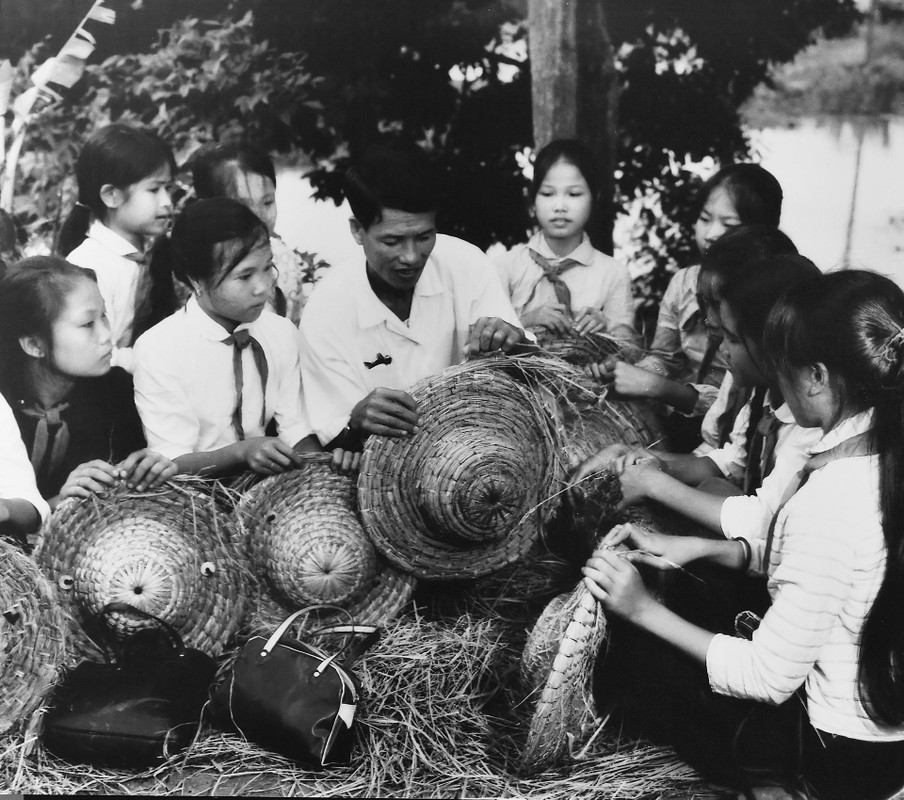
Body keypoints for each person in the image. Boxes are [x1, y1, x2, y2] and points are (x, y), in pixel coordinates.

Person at [582, 269, 904, 799]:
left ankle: (773, 784)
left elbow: (767, 676)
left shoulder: (833, 498)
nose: (774, 377)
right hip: (880, 737)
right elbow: (818, 574)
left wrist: (641, 609)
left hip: (833, 752)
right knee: (701, 598)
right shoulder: (880, 453)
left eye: (783, 365)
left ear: (817, 377)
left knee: (636, 656)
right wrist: (696, 548)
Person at [575, 255, 823, 543]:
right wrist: (642, 458)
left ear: (772, 341)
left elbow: (764, 521)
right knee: (713, 486)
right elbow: (731, 461)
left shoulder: (810, 425)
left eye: (731, 339)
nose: (721, 350)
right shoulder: (764, 396)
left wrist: (656, 485)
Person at [299, 143, 529, 450]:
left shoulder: (467, 264)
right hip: (382, 470)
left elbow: (528, 367)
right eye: (392, 241)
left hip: (477, 451)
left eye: (424, 237)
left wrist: (514, 341)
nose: (411, 257)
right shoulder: (326, 310)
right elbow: (333, 429)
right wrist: (355, 422)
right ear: (357, 231)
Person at [592, 164, 784, 450]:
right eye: (705, 218)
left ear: (762, 233)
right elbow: (665, 357)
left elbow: (741, 399)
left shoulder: (765, 296)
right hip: (678, 420)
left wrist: (654, 386)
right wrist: (630, 373)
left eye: (729, 225)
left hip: (739, 435)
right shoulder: (683, 283)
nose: (710, 233)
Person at [133, 198, 320, 478]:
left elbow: (296, 430)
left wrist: (323, 464)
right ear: (197, 280)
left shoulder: (280, 332)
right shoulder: (158, 349)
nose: (263, 287)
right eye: (244, 276)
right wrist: (241, 453)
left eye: (267, 267)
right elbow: (171, 460)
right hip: (192, 499)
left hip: (269, 489)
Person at [0, 257, 176, 514]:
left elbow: (126, 482)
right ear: (34, 345)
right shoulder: (3, 404)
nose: (107, 335)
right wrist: (59, 502)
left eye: (104, 315)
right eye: (87, 324)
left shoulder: (115, 390)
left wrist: (146, 471)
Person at [492, 139, 637, 343]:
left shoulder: (613, 274)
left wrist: (607, 333)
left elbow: (629, 350)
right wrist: (527, 320)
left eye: (574, 194)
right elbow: (483, 342)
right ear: (533, 200)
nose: (560, 206)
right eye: (548, 193)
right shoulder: (505, 267)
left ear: (594, 198)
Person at [59, 123, 176, 373]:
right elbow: (91, 353)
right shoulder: (89, 266)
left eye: (169, 189)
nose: (168, 202)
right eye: (154, 190)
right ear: (111, 196)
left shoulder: (151, 251)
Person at [191, 141, 311, 326]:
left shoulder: (284, 260)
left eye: (268, 202)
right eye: (243, 206)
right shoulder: (191, 269)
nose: (260, 218)